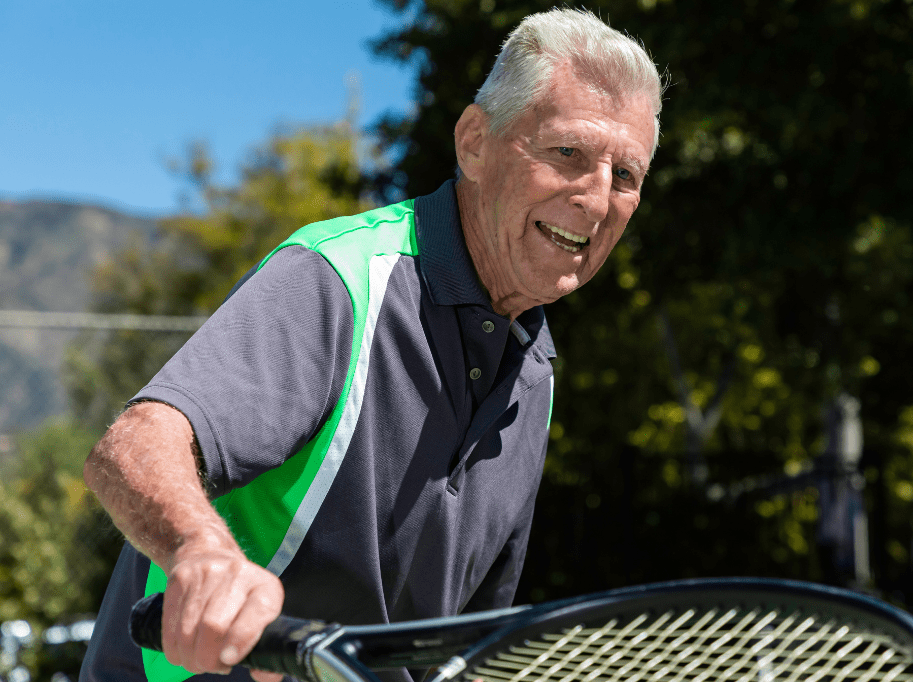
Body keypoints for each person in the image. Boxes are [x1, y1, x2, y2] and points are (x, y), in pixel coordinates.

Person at [80, 8, 664, 681]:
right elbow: (134, 443)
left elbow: (461, 654)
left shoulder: (536, 373)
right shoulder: (340, 279)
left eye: (625, 177)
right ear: (474, 143)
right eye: (568, 153)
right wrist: (202, 552)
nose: (596, 198)